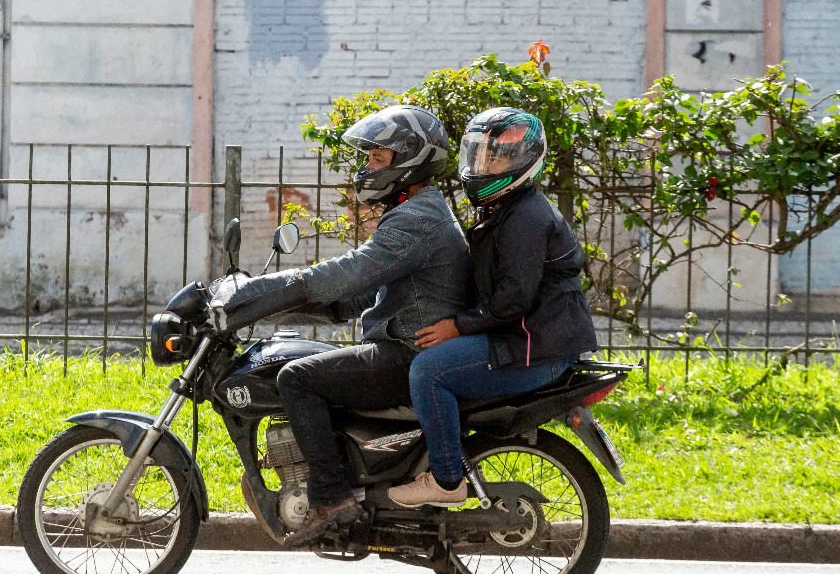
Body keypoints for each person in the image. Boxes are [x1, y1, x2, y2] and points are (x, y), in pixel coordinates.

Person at [212, 105, 470, 545]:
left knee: (296, 378)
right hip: (409, 343)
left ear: (408, 160)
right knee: (309, 362)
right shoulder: (418, 211)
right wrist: (276, 308)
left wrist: (257, 291)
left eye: (377, 158)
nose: (367, 168)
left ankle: (330, 498)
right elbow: (360, 295)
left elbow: (350, 271)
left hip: (410, 353)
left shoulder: (416, 219)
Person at [386, 107, 598, 508]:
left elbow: (513, 298)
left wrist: (458, 326)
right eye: (480, 155)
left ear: (523, 160)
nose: (483, 165)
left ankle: (447, 480)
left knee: (429, 371)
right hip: (523, 338)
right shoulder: (508, 210)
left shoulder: (526, 219)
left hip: (536, 348)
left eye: (496, 157)